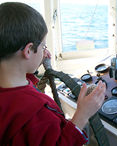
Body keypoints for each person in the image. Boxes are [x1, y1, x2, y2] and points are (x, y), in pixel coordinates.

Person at [0, 2, 106, 146]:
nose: (45, 51)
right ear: (29, 50)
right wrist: (83, 113)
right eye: (43, 46)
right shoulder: (37, 116)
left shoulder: (10, 86)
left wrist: (34, 61)